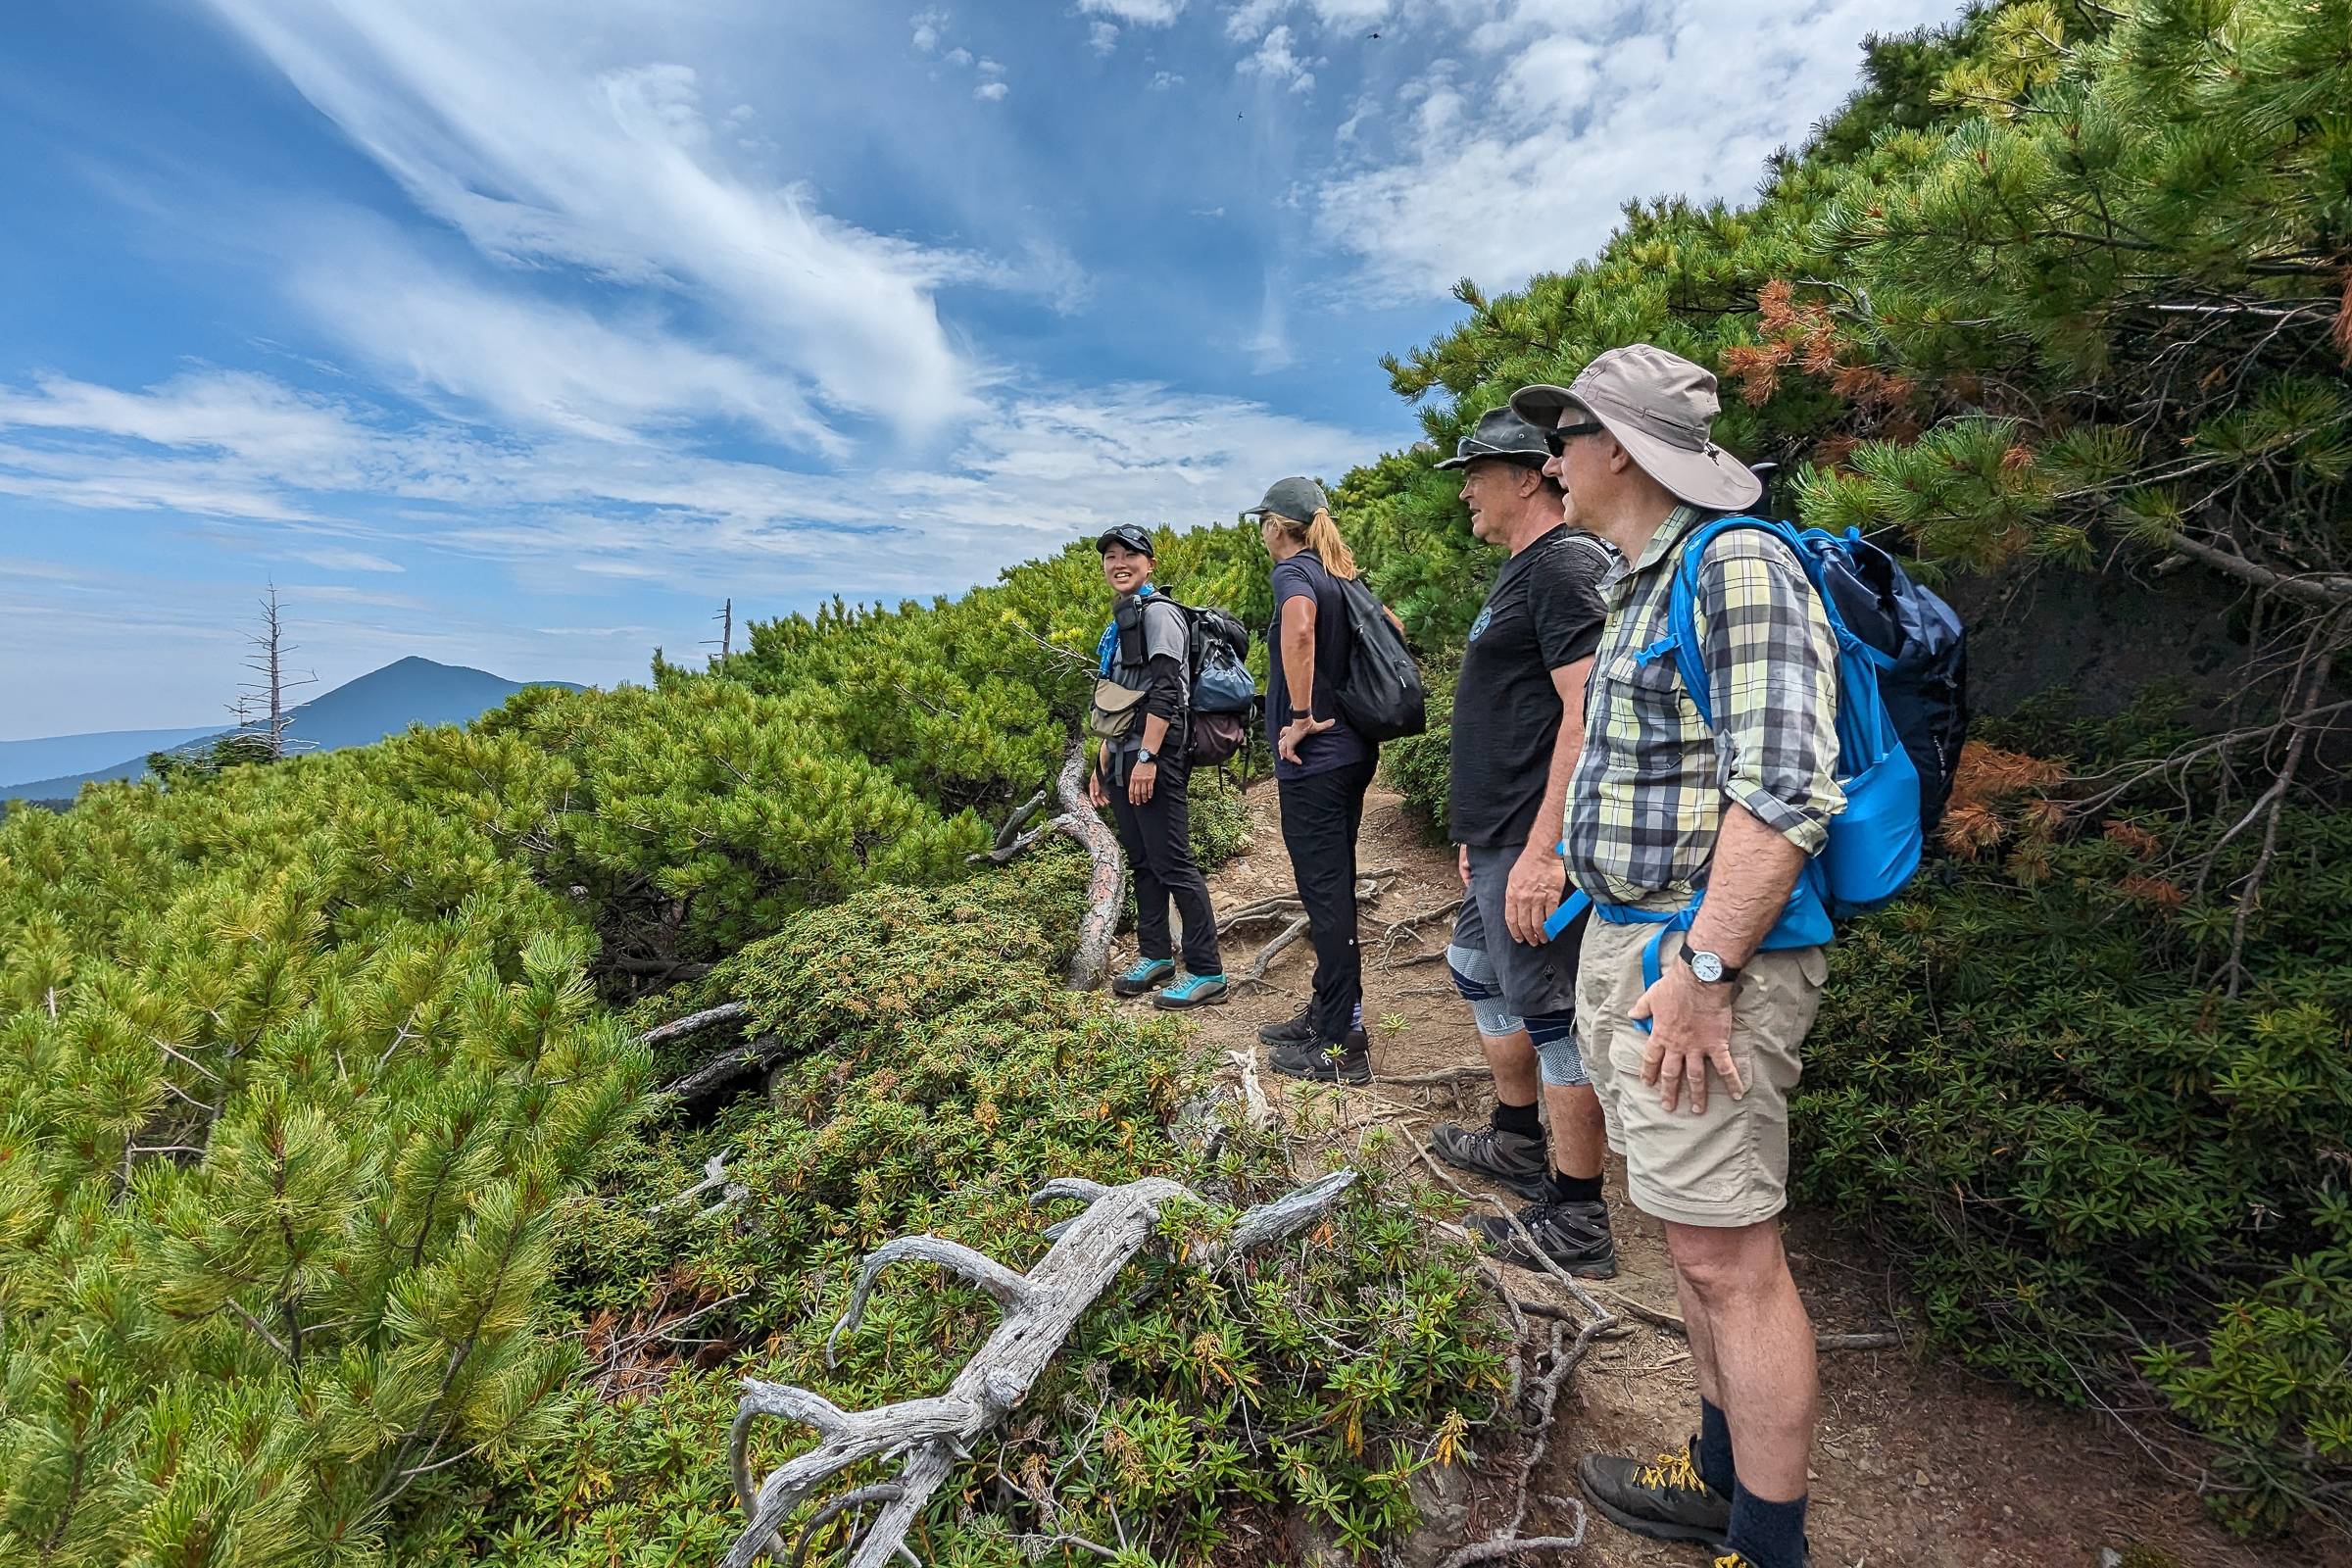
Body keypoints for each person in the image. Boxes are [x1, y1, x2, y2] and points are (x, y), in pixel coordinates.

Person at [1508, 346, 1841, 1568]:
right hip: (1639, 939)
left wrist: (1703, 973)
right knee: (1691, 1238)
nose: (1553, 460)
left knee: (1730, 1255)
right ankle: (1714, 1479)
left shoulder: (1738, 564)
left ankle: (1766, 1542)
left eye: (1569, 434)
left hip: (1702, 962)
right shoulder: (1644, 580)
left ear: (1624, 450)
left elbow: (1789, 788)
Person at [1421, 407, 1616, 1278]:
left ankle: (1578, 1219)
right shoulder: (1521, 571)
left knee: (1550, 1014)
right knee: (1475, 967)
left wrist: (1544, 850)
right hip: (1496, 835)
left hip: (1534, 839)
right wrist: (1480, 833)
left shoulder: (1566, 563)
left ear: (1528, 474)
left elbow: (1586, 711)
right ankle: (1514, 1141)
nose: (1465, 487)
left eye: (1476, 470)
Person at [1247, 477, 1377, 1083]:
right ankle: (1326, 1010)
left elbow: (1299, 630)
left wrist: (1300, 717)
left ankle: (1343, 1042)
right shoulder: (1342, 575)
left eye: (1262, 523)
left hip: (1316, 759)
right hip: (1352, 752)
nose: (1262, 534)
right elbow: (1391, 632)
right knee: (1333, 887)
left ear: (1277, 525)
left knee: (1326, 897)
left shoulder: (1294, 573)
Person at [1088, 523, 1227, 1008]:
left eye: (1129, 554)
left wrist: (1146, 757)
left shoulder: (1160, 614)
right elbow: (1122, 696)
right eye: (1110, 556)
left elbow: (1168, 692)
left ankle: (1207, 969)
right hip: (1124, 753)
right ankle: (1156, 956)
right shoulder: (1123, 620)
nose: (1118, 563)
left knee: (1173, 862)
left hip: (1156, 755)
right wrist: (1104, 757)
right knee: (1143, 861)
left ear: (1150, 564)